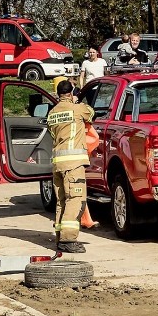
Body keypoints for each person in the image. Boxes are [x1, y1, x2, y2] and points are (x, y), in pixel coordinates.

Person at [47, 79, 95, 253]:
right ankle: (68, 240)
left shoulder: (52, 113)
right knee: (75, 200)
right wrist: (77, 101)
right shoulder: (77, 108)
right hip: (73, 164)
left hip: (57, 164)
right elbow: (91, 114)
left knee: (61, 201)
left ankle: (60, 237)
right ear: (71, 92)